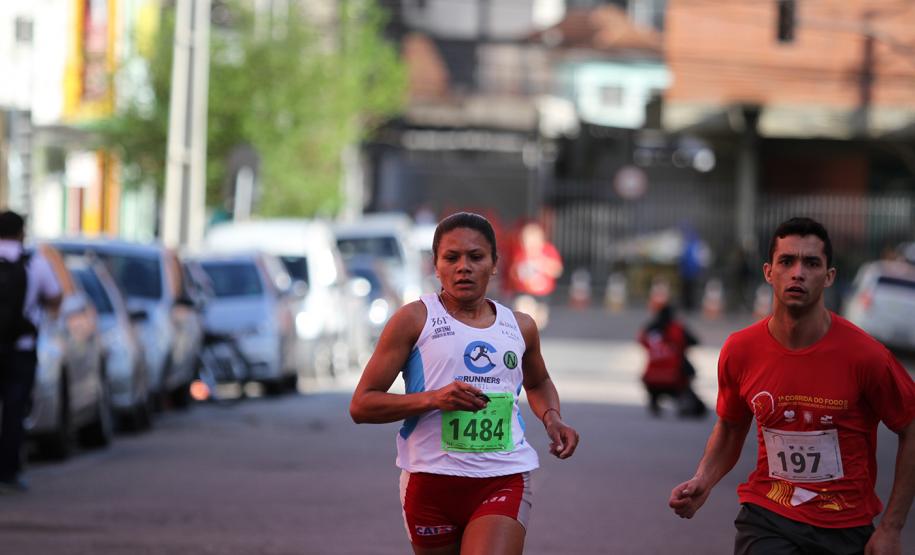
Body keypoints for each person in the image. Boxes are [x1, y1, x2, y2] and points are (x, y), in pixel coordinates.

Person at [668, 217, 915, 555]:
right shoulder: (741, 350)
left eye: (811, 263)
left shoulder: (866, 355)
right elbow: (730, 425)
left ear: (829, 277)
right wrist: (703, 480)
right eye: (787, 261)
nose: (798, 272)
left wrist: (891, 527)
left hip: (845, 528)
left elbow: (911, 427)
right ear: (769, 272)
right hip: (768, 516)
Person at [350, 211, 579, 555]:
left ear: (494, 263)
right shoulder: (414, 320)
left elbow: (539, 381)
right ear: (436, 264)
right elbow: (362, 405)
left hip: (503, 476)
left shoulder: (520, 326)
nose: (464, 267)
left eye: (476, 257)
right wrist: (433, 399)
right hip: (429, 480)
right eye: (452, 257)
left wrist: (552, 417)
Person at [0, 210, 61, 493]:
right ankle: (8, 472)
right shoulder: (34, 262)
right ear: (21, 232)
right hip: (21, 348)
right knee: (15, 410)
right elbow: (56, 297)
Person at [637, 303, 706, 418]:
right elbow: (695, 341)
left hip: (650, 378)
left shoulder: (649, 329)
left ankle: (654, 399)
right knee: (689, 371)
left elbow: (641, 341)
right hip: (674, 378)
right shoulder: (677, 328)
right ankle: (684, 401)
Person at [507, 221, 563, 329]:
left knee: (540, 321)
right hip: (524, 292)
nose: (529, 244)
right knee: (524, 314)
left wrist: (542, 264)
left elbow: (557, 270)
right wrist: (517, 274)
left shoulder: (548, 251)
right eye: (526, 241)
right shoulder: (520, 254)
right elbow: (513, 272)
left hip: (542, 294)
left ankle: (533, 334)